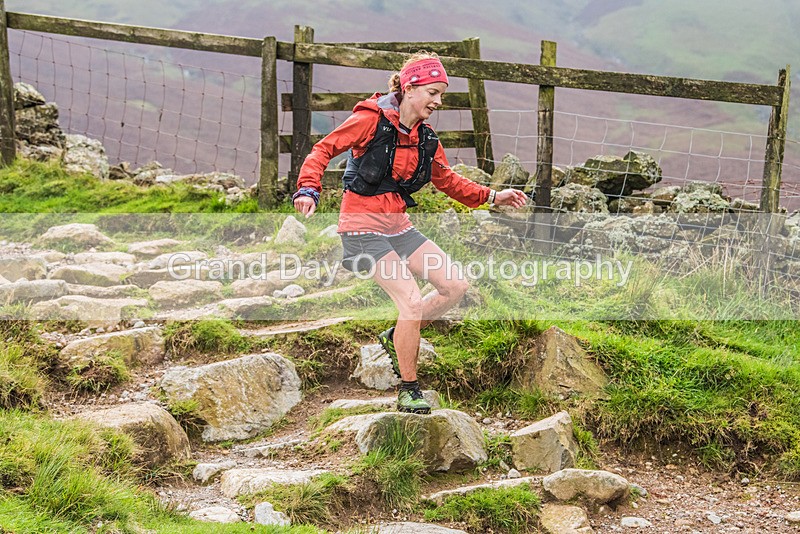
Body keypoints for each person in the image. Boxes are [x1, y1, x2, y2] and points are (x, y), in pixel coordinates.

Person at [293, 52, 527, 414]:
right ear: (410, 88)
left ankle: (397, 336)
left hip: (399, 226)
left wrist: (494, 196)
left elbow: (447, 180)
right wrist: (308, 188)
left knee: (455, 286)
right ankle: (408, 388)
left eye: (442, 95)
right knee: (411, 301)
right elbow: (323, 150)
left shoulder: (425, 138)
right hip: (361, 229)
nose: (438, 102)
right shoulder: (369, 121)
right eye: (433, 92)